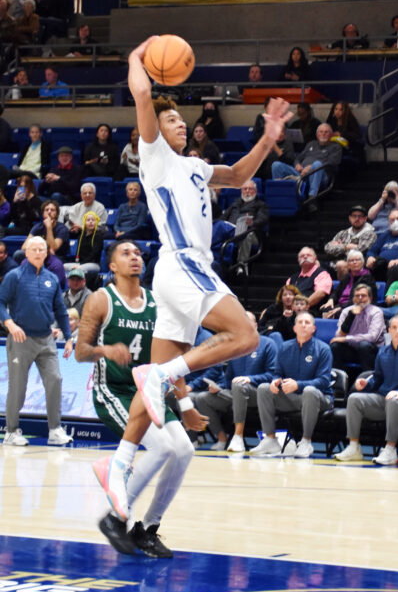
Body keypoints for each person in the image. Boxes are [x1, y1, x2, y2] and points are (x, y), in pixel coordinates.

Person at [93, 36, 291, 519]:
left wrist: (268, 137)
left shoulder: (198, 167)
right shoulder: (156, 156)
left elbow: (242, 172)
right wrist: (135, 58)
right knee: (244, 334)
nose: (182, 122)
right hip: (184, 264)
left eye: (183, 118)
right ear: (155, 133)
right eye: (172, 119)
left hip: (178, 276)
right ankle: (161, 374)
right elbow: (143, 96)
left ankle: (118, 466)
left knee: (153, 391)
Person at [77, 239, 196, 556]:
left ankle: (148, 527)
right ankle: (115, 518)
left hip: (150, 391)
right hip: (113, 390)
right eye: (125, 253)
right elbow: (80, 352)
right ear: (112, 266)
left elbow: (172, 357)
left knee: (184, 450)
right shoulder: (101, 300)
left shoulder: (157, 303)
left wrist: (185, 404)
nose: (135, 257)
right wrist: (105, 350)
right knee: (163, 447)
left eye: (138, 253)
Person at [0, 236, 73, 447]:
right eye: (35, 249)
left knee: (55, 380)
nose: (39, 252)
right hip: (21, 340)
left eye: (42, 249)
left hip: (47, 340)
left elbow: (60, 309)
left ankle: (55, 430)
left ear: (47, 252)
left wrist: (68, 338)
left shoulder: (51, 278)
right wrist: (10, 324)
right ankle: (11, 431)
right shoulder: (14, 276)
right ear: (27, 252)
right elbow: (1, 302)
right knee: (18, 388)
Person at [334, 314, 398, 466]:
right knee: (354, 398)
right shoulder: (383, 352)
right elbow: (377, 378)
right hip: (382, 400)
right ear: (389, 331)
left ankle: (390, 449)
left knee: (393, 401)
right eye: (394, 328)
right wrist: (366, 384)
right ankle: (354, 446)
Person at [250, 311, 333, 458]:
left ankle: (306, 441)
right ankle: (270, 439)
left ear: (313, 328)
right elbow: (278, 373)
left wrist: (298, 385)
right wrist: (276, 381)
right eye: (299, 322)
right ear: (294, 328)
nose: (303, 325)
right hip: (292, 398)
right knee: (264, 388)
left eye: (307, 323)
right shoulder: (284, 347)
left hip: (320, 398)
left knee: (309, 391)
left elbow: (324, 381)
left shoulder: (323, 349)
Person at [192, 320, 279, 452]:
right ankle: (222, 438)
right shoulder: (236, 348)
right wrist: (218, 387)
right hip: (235, 392)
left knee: (238, 385)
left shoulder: (268, 344)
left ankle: (238, 436)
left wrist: (250, 379)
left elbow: (273, 374)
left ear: (255, 326)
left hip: (258, 393)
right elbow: (228, 380)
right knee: (202, 398)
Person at [270, 122, 342, 209]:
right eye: (321, 132)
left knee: (317, 164)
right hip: (302, 173)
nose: (323, 134)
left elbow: (333, 162)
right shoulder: (311, 144)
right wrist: (297, 165)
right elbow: (298, 158)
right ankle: (278, 194)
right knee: (276, 165)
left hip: (320, 174)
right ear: (316, 134)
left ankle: (312, 198)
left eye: (326, 132)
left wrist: (311, 168)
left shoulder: (336, 147)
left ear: (331, 134)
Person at [331, 282, 386, 374]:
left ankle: (369, 378)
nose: (360, 298)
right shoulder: (346, 311)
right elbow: (338, 335)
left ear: (370, 298)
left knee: (364, 345)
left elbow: (372, 337)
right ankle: (338, 378)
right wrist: (351, 316)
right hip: (351, 349)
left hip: (371, 350)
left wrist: (347, 338)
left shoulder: (376, 312)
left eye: (363, 296)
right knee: (335, 346)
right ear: (353, 298)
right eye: (357, 296)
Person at [222, 179, 269, 269]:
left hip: (253, 235)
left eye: (250, 189)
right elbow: (223, 217)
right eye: (245, 189)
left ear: (255, 191)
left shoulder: (260, 205)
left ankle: (241, 265)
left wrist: (252, 223)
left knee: (248, 235)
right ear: (241, 191)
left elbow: (263, 219)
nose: (247, 191)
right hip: (232, 233)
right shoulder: (235, 204)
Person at [321, 249, 376, 319]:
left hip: (359, 306)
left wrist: (341, 307)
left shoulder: (368, 278)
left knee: (339, 313)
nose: (354, 262)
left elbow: (361, 299)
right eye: (351, 260)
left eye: (357, 260)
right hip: (341, 305)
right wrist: (331, 300)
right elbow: (336, 291)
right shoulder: (347, 277)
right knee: (325, 310)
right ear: (348, 264)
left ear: (362, 263)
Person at [286, 247, 333, 313]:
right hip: (292, 311)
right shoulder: (292, 278)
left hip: (311, 311)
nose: (305, 257)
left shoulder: (322, 274)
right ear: (298, 260)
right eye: (302, 256)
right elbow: (285, 296)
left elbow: (320, 294)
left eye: (309, 255)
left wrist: (302, 307)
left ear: (315, 259)